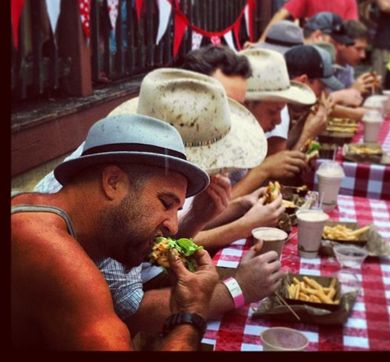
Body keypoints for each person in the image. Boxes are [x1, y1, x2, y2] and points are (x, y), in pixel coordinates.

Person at [34, 69, 285, 337]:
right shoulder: (109, 205)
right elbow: (132, 311)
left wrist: (196, 218)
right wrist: (236, 289)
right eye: (167, 202)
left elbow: (146, 262)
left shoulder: (128, 167)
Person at [12, 114, 218, 350]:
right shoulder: (51, 252)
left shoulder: (31, 206)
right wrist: (190, 315)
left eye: (177, 210)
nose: (173, 226)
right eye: (165, 203)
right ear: (113, 182)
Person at [231, 48, 316, 198]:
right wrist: (263, 170)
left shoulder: (247, 137)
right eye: (272, 111)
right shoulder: (221, 136)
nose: (279, 121)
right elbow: (207, 213)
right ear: (245, 105)